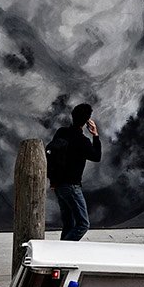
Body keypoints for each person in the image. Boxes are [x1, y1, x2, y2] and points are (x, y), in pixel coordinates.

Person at [48, 102, 100, 241]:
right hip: (72, 186)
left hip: (58, 185)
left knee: (69, 224)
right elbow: (97, 157)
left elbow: (52, 156)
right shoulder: (83, 141)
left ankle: (62, 260)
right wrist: (95, 135)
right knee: (83, 224)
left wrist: (53, 181)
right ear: (87, 120)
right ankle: (60, 253)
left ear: (72, 116)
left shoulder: (61, 132)